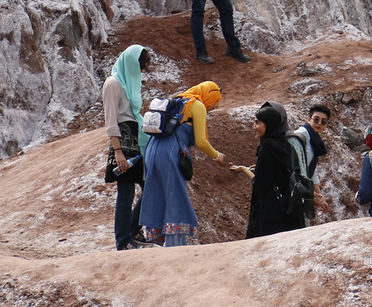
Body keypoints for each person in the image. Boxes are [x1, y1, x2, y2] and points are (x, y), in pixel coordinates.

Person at [140, 81, 226, 247]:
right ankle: (176, 246)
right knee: (175, 195)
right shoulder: (197, 105)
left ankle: (155, 241)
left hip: (152, 151)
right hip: (169, 153)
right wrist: (217, 155)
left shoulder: (178, 100)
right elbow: (201, 142)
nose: (214, 107)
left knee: (155, 193)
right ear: (210, 95)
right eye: (215, 102)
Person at [230, 102, 307, 239]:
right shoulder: (286, 145)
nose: (254, 127)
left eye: (258, 123)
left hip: (271, 213)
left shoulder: (267, 149)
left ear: (269, 124)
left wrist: (243, 169)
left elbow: (260, 184)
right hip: (289, 211)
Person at [103, 45, 151, 250]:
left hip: (137, 141)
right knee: (126, 193)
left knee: (149, 188)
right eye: (140, 67)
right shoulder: (112, 84)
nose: (140, 72)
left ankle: (132, 229)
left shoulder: (130, 83)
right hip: (123, 142)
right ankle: (123, 240)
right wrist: (118, 152)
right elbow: (111, 122)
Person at [289, 103, 333, 222]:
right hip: (291, 189)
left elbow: (311, 171)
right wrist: (311, 193)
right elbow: (294, 167)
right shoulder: (301, 135)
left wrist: (320, 197)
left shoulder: (314, 140)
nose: (319, 123)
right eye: (316, 119)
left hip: (300, 190)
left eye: (323, 122)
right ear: (309, 119)